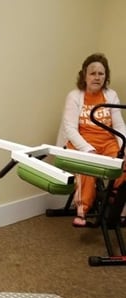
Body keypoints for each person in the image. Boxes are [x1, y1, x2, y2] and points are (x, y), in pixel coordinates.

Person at [57, 52, 126, 227]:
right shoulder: (75, 96)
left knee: (124, 164)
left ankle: (115, 200)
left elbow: (118, 126)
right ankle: (83, 209)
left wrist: (124, 149)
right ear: (85, 76)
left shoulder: (111, 95)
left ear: (106, 76)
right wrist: (88, 149)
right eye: (92, 73)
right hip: (81, 141)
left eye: (101, 73)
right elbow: (70, 128)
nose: (97, 77)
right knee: (86, 165)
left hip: (107, 141)